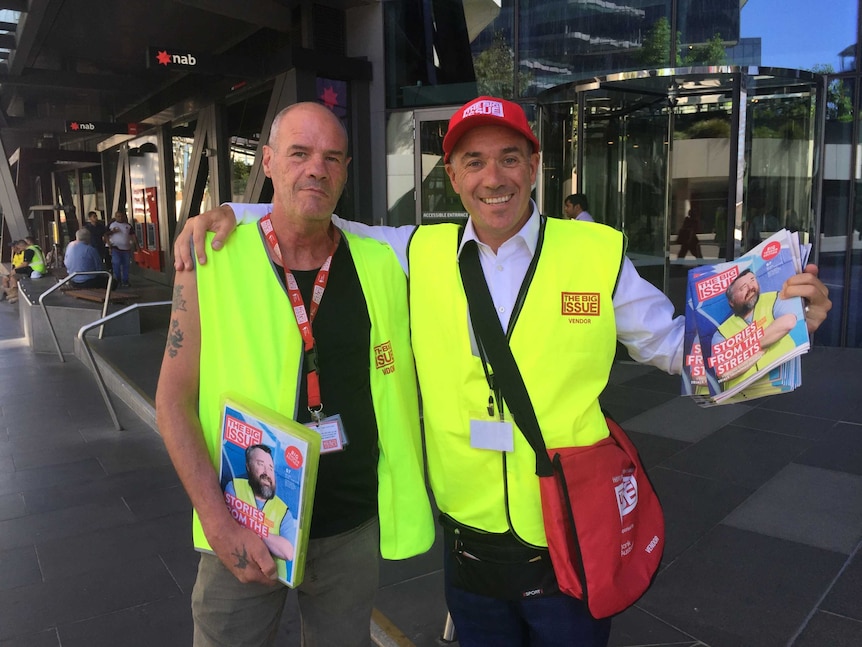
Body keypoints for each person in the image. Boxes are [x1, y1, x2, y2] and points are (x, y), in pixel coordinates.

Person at [175, 96, 832, 646]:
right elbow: (318, 213)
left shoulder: (594, 252)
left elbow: (675, 344)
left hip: (570, 536)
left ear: (534, 166)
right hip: (470, 551)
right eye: (474, 161)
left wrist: (781, 326)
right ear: (453, 177)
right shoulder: (416, 251)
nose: (494, 177)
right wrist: (230, 215)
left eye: (510, 158)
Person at [155, 101, 433, 647]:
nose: (317, 169)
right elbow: (172, 400)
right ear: (267, 162)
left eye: (332, 158)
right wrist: (218, 525)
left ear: (346, 171)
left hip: (351, 528)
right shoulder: (212, 260)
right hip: (244, 522)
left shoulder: (382, 265)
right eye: (299, 153)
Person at [711, 269, 799, 390]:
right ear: (731, 301)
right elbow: (724, 373)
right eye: (743, 287)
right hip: (743, 396)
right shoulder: (721, 333)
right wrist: (761, 350)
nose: (751, 287)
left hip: (785, 384)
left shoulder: (774, 298)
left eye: (752, 281)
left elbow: (788, 322)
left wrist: (747, 350)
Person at [224, 444, 297, 580]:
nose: (267, 472)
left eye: (270, 468)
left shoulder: (284, 511)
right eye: (260, 464)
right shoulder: (234, 487)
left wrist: (257, 532)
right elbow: (227, 528)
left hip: (274, 578)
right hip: (234, 568)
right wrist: (271, 539)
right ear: (248, 467)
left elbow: (288, 552)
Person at [105, 209, 136, 287]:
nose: (120, 218)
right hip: (115, 247)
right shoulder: (112, 225)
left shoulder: (128, 226)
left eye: (121, 216)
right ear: (115, 217)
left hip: (126, 248)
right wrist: (109, 246)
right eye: (118, 216)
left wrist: (135, 246)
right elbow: (105, 235)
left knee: (126, 265)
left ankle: (125, 280)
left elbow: (133, 235)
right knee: (116, 263)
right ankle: (118, 280)